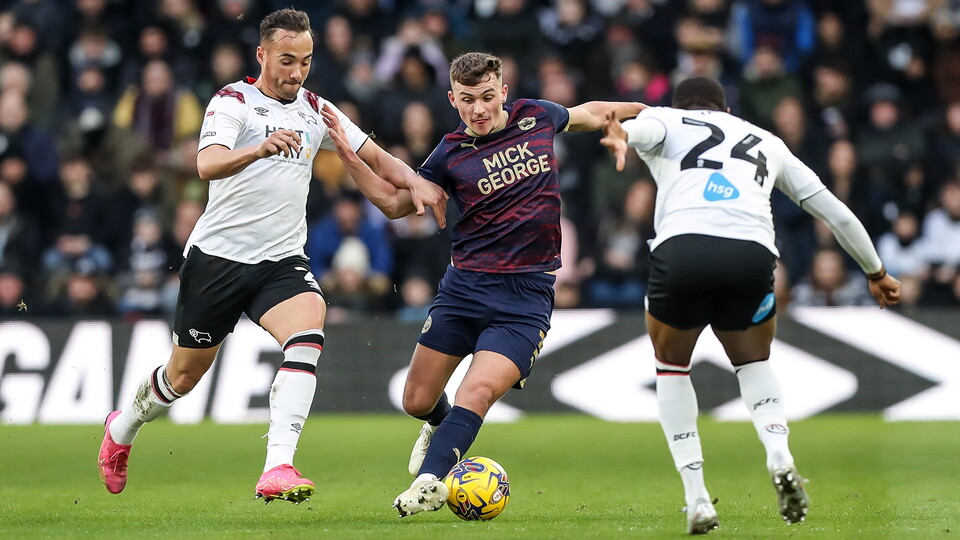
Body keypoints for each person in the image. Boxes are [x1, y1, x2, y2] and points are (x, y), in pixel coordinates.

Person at [97, 8, 447, 504]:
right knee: (182, 376)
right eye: (286, 60)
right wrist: (258, 150)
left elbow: (373, 154)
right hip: (218, 259)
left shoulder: (315, 107)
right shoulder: (232, 101)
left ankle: (278, 465)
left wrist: (417, 181)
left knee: (307, 331)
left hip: (281, 260)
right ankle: (123, 428)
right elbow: (206, 164)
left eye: (305, 61)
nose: (296, 72)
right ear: (262, 54)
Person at [319, 51, 645, 517]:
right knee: (416, 400)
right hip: (464, 290)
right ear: (453, 99)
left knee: (476, 393)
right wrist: (351, 159)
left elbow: (591, 113)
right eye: (468, 100)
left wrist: (647, 113)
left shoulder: (538, 116)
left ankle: (429, 482)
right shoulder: (449, 154)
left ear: (503, 93)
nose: (479, 109)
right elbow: (395, 204)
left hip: (525, 299)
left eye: (488, 97)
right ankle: (438, 425)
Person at [599, 76, 901, 534]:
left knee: (671, 368)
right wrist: (876, 272)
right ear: (726, 108)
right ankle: (779, 452)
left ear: (682, 105)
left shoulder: (666, 118)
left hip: (683, 248)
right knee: (754, 361)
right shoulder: (766, 140)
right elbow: (835, 212)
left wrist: (623, 136)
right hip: (751, 252)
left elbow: (642, 130)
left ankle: (697, 497)